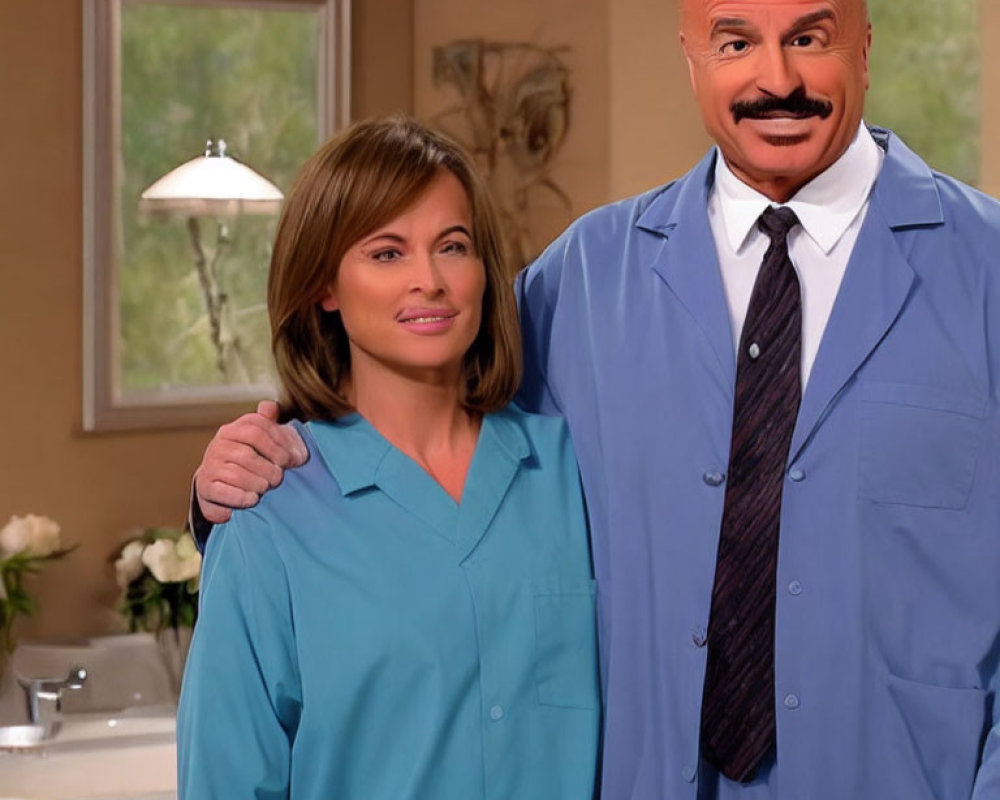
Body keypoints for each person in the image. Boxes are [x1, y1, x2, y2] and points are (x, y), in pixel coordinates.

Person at [191, 0, 1000, 797]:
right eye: (734, 41)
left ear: (865, 43)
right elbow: (419, 368)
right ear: (688, 53)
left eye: (810, 37)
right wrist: (233, 487)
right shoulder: (586, 277)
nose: (775, 77)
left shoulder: (987, 272)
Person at [177, 117, 600, 799]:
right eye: (387, 253)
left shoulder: (570, 473)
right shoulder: (268, 520)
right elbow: (226, 781)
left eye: (452, 247)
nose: (428, 280)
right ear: (325, 286)